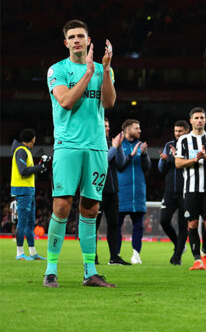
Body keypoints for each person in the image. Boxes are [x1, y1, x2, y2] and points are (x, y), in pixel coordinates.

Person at [44, 19, 116, 287]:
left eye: (81, 36)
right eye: (72, 37)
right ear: (66, 43)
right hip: (68, 145)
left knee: (91, 207)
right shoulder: (57, 70)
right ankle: (51, 270)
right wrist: (86, 74)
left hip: (97, 145)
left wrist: (105, 69)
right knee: (62, 205)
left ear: (88, 40)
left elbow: (109, 102)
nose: (77, 40)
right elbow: (65, 100)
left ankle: (90, 272)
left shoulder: (101, 69)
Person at [175, 107, 206, 271]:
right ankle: (197, 260)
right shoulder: (183, 140)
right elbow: (178, 163)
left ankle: (204, 252)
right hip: (190, 189)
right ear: (191, 121)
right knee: (193, 223)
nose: (199, 120)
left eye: (202, 117)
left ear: (205, 120)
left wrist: (205, 157)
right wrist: (195, 160)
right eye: (196, 118)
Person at [11, 128, 49, 260]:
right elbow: (23, 171)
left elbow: (28, 170)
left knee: (30, 222)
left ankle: (32, 253)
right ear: (32, 139)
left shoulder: (26, 151)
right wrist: (39, 168)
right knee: (22, 222)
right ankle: (19, 253)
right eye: (35, 138)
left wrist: (40, 166)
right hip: (22, 191)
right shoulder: (21, 151)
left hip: (28, 190)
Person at [116, 119, 149, 264]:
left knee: (138, 225)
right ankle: (115, 254)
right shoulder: (118, 145)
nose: (140, 131)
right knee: (116, 225)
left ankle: (136, 254)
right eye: (137, 128)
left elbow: (147, 168)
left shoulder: (141, 146)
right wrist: (131, 155)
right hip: (121, 192)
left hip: (138, 192)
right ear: (128, 130)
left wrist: (143, 154)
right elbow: (119, 166)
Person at [97, 119, 129, 266]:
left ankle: (114, 257)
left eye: (108, 126)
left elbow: (121, 164)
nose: (108, 128)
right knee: (93, 226)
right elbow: (102, 162)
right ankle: (92, 257)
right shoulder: (93, 143)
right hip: (97, 192)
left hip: (112, 191)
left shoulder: (111, 144)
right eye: (104, 126)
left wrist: (119, 147)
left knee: (114, 224)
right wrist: (114, 148)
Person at [158, 120, 190, 265]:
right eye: (176, 131)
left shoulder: (191, 145)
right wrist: (164, 160)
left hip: (186, 190)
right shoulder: (168, 145)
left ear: (187, 131)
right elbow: (161, 170)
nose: (177, 134)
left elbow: (190, 163)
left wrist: (172, 158)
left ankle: (177, 258)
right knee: (164, 220)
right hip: (169, 190)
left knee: (183, 224)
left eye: (180, 131)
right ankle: (179, 246)